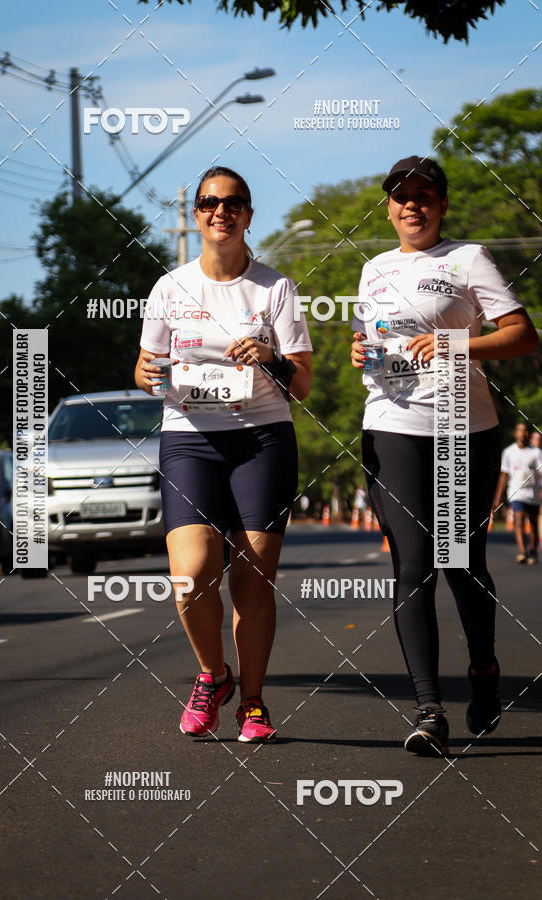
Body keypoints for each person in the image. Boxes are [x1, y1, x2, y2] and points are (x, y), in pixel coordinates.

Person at [350, 155, 539, 756]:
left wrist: (457, 343)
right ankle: (429, 710)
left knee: (461, 564)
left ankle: (484, 669)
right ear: (388, 206)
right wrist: (362, 354)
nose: (412, 205)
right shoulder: (374, 269)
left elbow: (522, 334)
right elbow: (373, 342)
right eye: (401, 196)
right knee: (414, 564)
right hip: (391, 423)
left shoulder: (468, 258)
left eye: (424, 196)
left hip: (463, 426)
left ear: (442, 205)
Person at [135, 166, 312, 742]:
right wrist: (144, 374)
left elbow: (302, 383)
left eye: (233, 203)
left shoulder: (274, 288)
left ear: (248, 214)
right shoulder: (170, 287)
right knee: (190, 574)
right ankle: (213, 674)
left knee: (253, 579)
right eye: (210, 202)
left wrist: (269, 355)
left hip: (260, 437)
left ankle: (254, 702)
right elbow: (144, 370)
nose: (220, 211)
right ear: (196, 214)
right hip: (189, 437)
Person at [494, 422, 542, 564]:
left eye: (525, 431)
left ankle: (532, 550)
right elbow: (504, 475)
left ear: (528, 433)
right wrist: (498, 497)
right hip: (516, 492)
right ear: (515, 433)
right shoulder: (508, 452)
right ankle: (522, 552)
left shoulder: (536, 453)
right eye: (519, 430)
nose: (522, 433)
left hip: (532, 493)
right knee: (519, 518)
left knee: (533, 523)